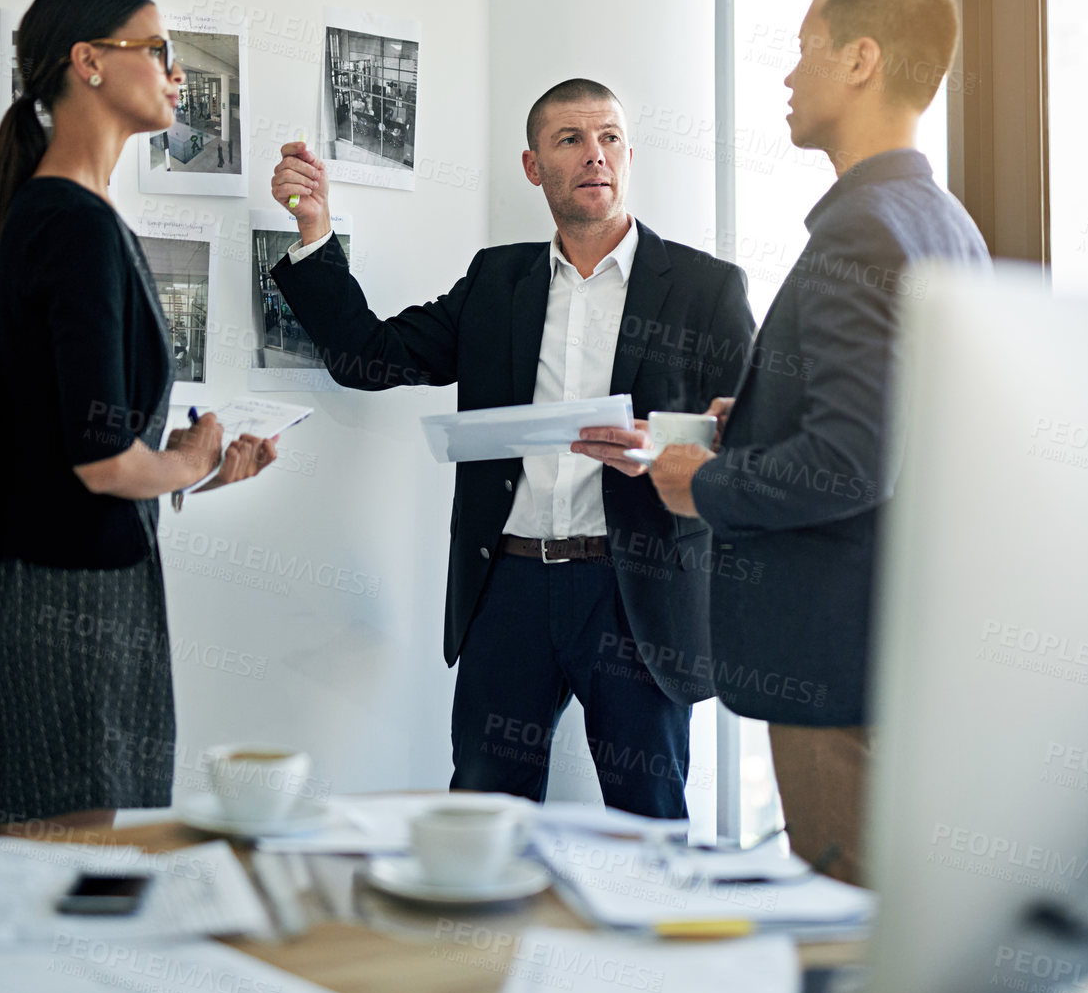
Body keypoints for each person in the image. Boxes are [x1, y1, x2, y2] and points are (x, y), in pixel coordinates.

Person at [590, 0, 989, 881]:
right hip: (898, 643)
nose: (786, 71)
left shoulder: (861, 228)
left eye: (804, 47)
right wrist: (757, 417)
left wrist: (706, 483)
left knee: (846, 914)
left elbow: (855, 459)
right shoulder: (940, 220)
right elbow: (897, 425)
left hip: (832, 658)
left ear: (859, 59)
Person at [270, 79, 755, 818]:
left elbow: (744, 436)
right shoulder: (498, 280)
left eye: (610, 137)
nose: (596, 154)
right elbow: (367, 357)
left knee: (647, 820)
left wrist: (657, 446)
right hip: (510, 589)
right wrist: (314, 231)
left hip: (634, 596)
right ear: (533, 166)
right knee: (481, 818)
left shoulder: (702, 287)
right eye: (570, 139)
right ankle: (487, 940)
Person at [0, 0, 277, 837]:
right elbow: (100, 462)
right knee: (69, 870)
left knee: (69, 866)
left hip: (72, 583)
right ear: (87, 63)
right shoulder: (73, 223)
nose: (176, 74)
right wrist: (187, 459)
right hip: (71, 599)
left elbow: (67, 443)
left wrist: (192, 468)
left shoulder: (63, 215)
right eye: (158, 49)